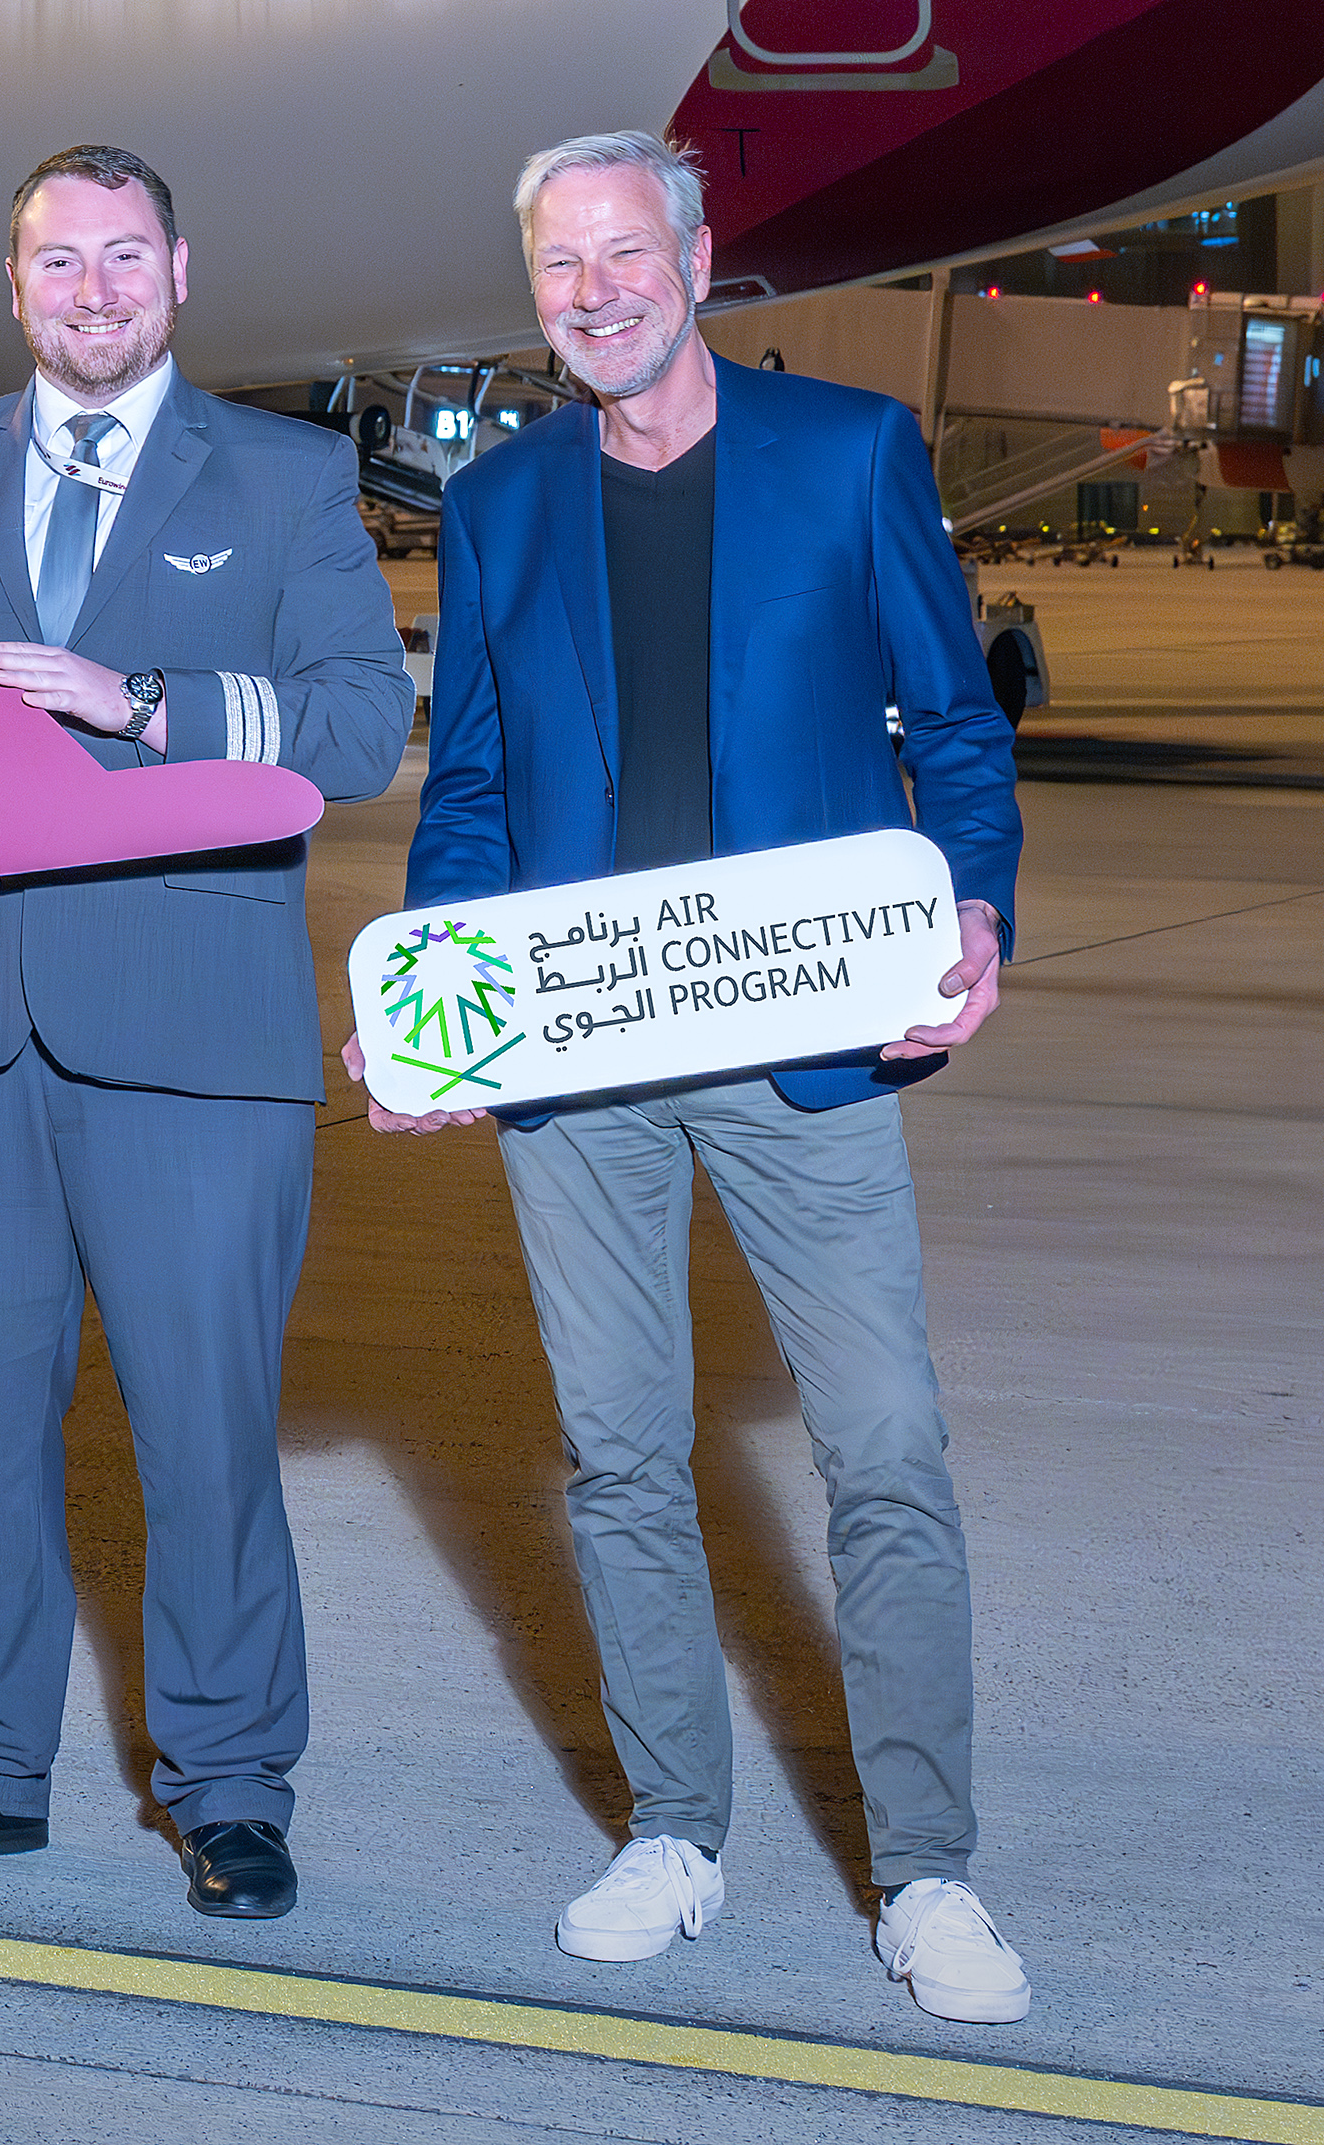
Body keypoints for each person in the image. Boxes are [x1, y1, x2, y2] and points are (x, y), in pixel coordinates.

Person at [378, 131, 1028, 2028]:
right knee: (619, 1463)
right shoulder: (499, 507)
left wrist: (973, 913)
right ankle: (675, 1829)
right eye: (558, 268)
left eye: (621, 254)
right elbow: (476, 791)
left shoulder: (843, 457)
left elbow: (956, 732)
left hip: (806, 1045)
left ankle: (927, 1873)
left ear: (697, 255)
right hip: (581, 1058)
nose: (593, 292)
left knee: (888, 1455)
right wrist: (439, 1006)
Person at [0, 144, 407, 1924]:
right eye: (62, 262)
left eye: (127, 259)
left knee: (204, 1426)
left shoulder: (282, 478)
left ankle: (229, 1783)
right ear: (15, 284)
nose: (97, 291)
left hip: (194, 1044)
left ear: (182, 275)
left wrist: (139, 706)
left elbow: (360, 723)